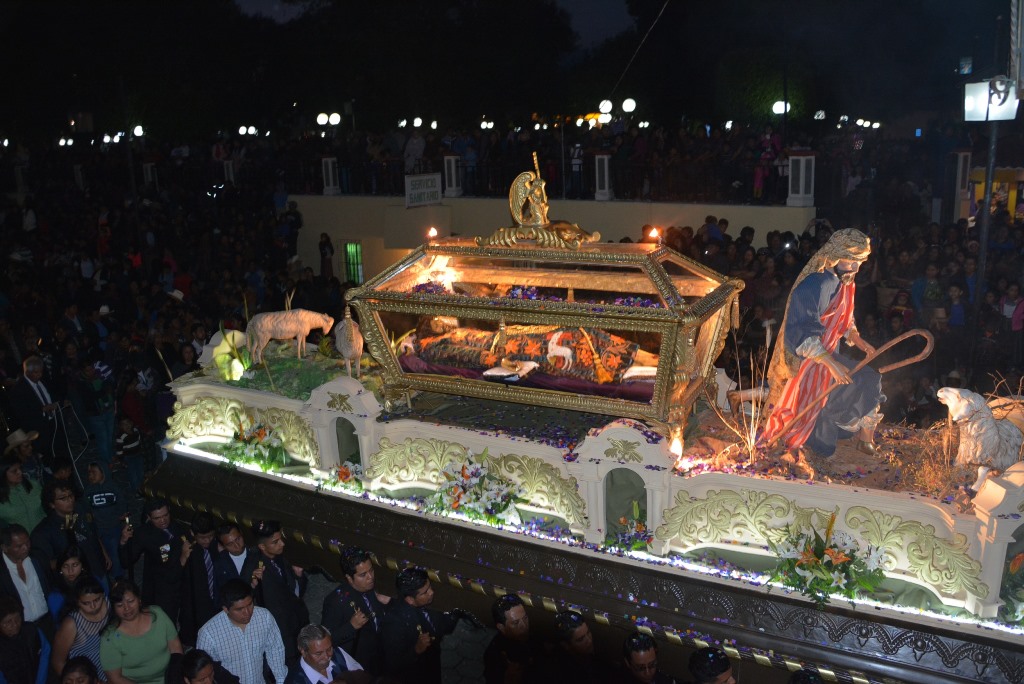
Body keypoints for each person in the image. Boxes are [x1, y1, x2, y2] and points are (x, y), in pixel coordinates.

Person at [763, 228, 884, 459]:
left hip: (830, 352)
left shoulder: (847, 283)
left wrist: (858, 340)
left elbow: (844, 320)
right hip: (811, 359)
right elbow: (801, 331)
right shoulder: (815, 284)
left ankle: (861, 437)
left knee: (868, 380)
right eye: (852, 261)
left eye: (860, 262)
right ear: (836, 254)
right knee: (862, 381)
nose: (856, 268)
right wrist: (831, 364)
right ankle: (814, 438)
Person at [242, 520, 307, 665]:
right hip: (279, 628)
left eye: (280, 539)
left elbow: (293, 590)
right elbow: (242, 594)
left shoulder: (280, 557)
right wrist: (253, 584)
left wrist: (298, 576)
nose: (282, 544)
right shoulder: (253, 564)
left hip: (295, 620)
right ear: (262, 546)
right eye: (275, 542)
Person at [196, 579, 287, 684]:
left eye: (250, 605)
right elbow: (205, 673)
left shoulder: (264, 617)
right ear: (226, 609)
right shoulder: (208, 634)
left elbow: (275, 651)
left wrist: (281, 681)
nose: (247, 612)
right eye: (239, 609)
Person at [378, 566, 458, 684]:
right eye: (425, 592)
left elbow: (443, 626)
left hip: (432, 665)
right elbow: (393, 664)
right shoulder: (394, 623)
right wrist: (416, 650)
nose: (431, 592)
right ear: (410, 599)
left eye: (430, 587)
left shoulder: (428, 604)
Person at [118, 497, 188, 626]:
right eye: (157, 518)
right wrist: (123, 541)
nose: (163, 520)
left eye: (165, 515)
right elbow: (126, 561)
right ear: (149, 517)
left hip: (181, 580)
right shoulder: (144, 533)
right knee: (164, 622)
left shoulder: (178, 527)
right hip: (161, 586)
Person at [320, 546, 390, 674]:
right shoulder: (335, 602)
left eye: (371, 570)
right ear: (349, 577)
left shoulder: (372, 586)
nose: (370, 577)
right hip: (358, 664)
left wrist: (388, 605)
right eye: (363, 575)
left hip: (381, 655)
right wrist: (351, 626)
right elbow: (327, 640)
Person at [99, 578, 182, 684]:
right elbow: (115, 678)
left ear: (139, 600)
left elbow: (175, 647)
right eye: (120, 605)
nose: (127, 608)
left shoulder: (157, 614)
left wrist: (174, 678)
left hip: (169, 678)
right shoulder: (109, 637)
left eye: (131, 601)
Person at [31, 479, 110, 581]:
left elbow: (93, 533)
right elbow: (48, 564)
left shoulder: (81, 509)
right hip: (77, 579)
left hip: (97, 566)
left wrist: (104, 553)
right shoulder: (44, 532)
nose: (70, 500)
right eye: (63, 498)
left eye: (71, 495)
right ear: (52, 504)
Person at [7, 355, 72, 465]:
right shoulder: (18, 390)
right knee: (50, 460)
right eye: (36, 373)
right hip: (39, 432)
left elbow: (51, 395)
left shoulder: (42, 380)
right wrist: (42, 410)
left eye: (41, 372)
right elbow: (21, 415)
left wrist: (61, 402)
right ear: (27, 372)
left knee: (64, 455)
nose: (39, 375)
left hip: (54, 424)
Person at [0, 524, 54, 641]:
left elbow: (50, 584)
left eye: (27, 543)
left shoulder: (38, 557)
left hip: (47, 622)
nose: (26, 548)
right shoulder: (2, 571)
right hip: (20, 630)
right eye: (19, 546)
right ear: (4, 548)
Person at [50, 577, 109, 680]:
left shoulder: (109, 605)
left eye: (97, 600)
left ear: (103, 595)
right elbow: (58, 662)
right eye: (86, 603)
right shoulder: (71, 624)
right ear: (77, 602)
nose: (93, 606)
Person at [179, 512, 220, 646]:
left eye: (210, 536)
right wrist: (183, 559)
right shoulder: (188, 549)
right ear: (193, 533)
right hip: (196, 601)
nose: (207, 541)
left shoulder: (216, 545)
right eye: (202, 538)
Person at [82, 461, 128, 581]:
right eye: (89, 473)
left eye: (94, 472)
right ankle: (105, 573)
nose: (91, 476)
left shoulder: (113, 488)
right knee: (101, 552)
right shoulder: (88, 491)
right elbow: (86, 508)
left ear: (103, 473)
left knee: (114, 551)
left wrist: (121, 514)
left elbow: (121, 502)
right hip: (98, 528)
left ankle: (118, 576)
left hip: (113, 527)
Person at [482, 593, 542, 684]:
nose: (524, 626)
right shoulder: (494, 656)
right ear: (501, 627)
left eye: (525, 618)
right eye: (515, 623)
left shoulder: (534, 637)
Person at [285, 623, 368, 684]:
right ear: (303, 651)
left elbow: (362, 678)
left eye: (329, 649)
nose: (327, 656)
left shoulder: (338, 654)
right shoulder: (294, 681)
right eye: (318, 653)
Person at [0, 594, 50, 684]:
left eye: (17, 618)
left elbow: (44, 656)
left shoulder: (32, 631)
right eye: (8, 622)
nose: (15, 625)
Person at [0, 453, 46, 532]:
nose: (20, 472)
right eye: (14, 471)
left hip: (45, 535)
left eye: (20, 468)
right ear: (3, 474)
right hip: (20, 542)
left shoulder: (33, 485)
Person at [213, 523, 251, 590]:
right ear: (223, 546)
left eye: (238, 539)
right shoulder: (219, 563)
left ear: (241, 534)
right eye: (230, 544)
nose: (237, 546)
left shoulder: (256, 555)